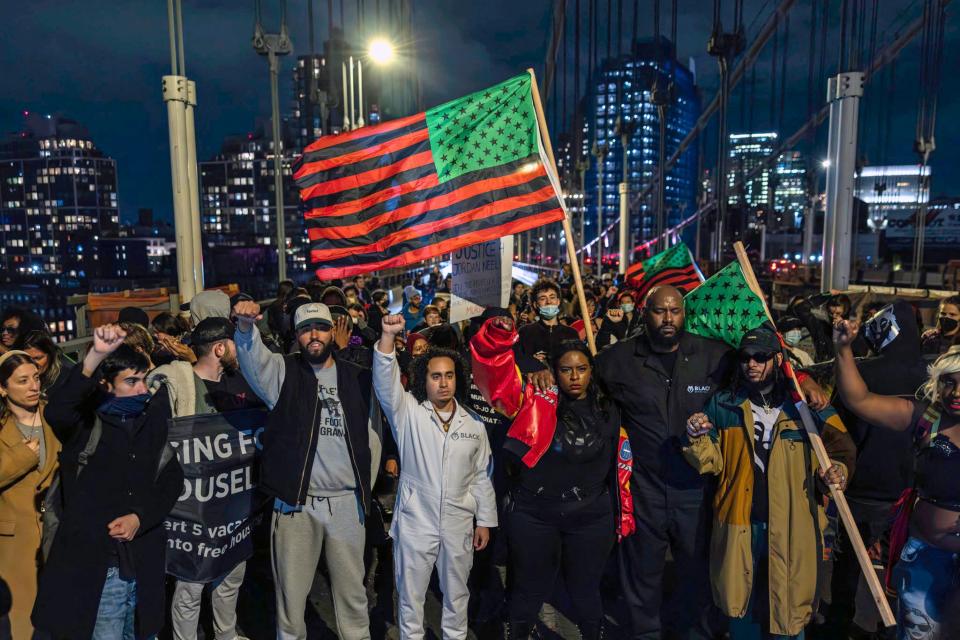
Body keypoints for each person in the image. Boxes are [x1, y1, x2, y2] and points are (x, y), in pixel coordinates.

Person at [591, 285, 830, 640]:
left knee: (699, 574)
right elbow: (579, 385)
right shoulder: (616, 360)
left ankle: (693, 633)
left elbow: (767, 362)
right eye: (659, 311)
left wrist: (805, 379)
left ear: (684, 313)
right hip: (644, 488)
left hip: (698, 490)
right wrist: (540, 370)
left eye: (675, 310)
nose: (668, 318)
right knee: (642, 573)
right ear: (645, 313)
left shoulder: (714, 356)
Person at [683, 325, 854, 639]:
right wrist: (697, 436)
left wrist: (837, 470)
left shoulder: (804, 406)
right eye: (746, 357)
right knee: (741, 608)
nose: (752, 364)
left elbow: (842, 448)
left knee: (789, 611)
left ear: (777, 359)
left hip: (793, 526)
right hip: (739, 524)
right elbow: (711, 462)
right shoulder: (724, 404)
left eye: (760, 357)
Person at [471, 318, 635, 640]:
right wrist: (499, 337)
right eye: (566, 370)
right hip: (534, 515)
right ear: (553, 371)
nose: (575, 377)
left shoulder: (611, 406)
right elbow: (496, 377)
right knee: (528, 589)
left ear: (592, 370)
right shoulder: (534, 399)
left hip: (590, 516)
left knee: (585, 591)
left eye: (582, 369)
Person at [232, 300, 381, 640]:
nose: (314, 335)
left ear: (333, 331)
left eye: (321, 327)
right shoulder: (283, 372)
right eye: (304, 329)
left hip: (346, 505)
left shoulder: (356, 377)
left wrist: (362, 491)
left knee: (354, 599)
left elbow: (372, 439)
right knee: (291, 601)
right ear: (296, 335)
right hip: (297, 504)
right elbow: (252, 359)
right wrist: (244, 327)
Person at [34, 326, 184, 639]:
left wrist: (140, 518)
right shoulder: (84, 425)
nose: (142, 389)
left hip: (144, 563)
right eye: (132, 381)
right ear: (106, 384)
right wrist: (96, 356)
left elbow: (171, 480)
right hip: (100, 570)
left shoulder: (152, 417)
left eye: (143, 379)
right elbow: (58, 410)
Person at [834, 317, 960, 640]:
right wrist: (844, 348)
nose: (956, 391)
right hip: (926, 565)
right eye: (949, 381)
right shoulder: (925, 417)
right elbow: (858, 399)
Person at [373, 314, 497, 640]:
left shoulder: (473, 425)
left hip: (459, 521)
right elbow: (385, 386)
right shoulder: (409, 414)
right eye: (435, 376)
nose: (443, 383)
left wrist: (483, 519)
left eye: (449, 376)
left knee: (457, 596)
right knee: (410, 596)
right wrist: (387, 338)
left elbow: (482, 476)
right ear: (423, 380)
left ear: (459, 379)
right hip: (416, 520)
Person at [147, 317, 262, 640]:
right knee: (190, 585)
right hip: (192, 514)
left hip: (232, 509)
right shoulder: (175, 390)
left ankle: (225, 634)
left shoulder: (239, 383)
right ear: (220, 348)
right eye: (235, 346)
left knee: (231, 576)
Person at [828, 302, 929, 638]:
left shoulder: (860, 372)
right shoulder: (929, 383)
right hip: (909, 499)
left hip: (861, 489)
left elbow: (841, 417)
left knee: (847, 572)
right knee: (901, 577)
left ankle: (839, 627)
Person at [0, 351, 60, 638]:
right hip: (15, 545)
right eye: (22, 381)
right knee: (23, 626)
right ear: (2, 388)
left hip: (60, 538)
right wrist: (23, 457)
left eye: (35, 378)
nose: (33, 386)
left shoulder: (55, 415)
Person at [516, 279, 579, 372]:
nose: (549, 302)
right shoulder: (525, 332)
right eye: (543, 298)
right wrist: (532, 362)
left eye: (552, 297)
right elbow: (517, 362)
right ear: (536, 304)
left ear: (558, 301)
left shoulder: (571, 334)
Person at [13, 329, 73, 397]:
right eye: (28, 358)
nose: (33, 364)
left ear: (51, 355)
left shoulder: (67, 380)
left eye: (38, 358)